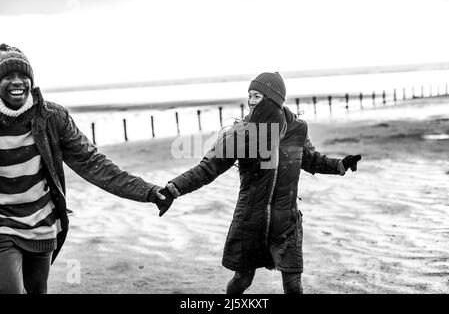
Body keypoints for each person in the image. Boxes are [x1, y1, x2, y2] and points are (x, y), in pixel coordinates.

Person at [159, 72, 361, 294]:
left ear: (273, 99)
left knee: (293, 286)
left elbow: (312, 159)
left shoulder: (297, 129)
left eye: (257, 96)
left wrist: (340, 165)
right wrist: (173, 188)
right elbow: (208, 168)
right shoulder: (241, 134)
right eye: (250, 96)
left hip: (286, 221)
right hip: (250, 220)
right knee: (242, 280)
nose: (251, 101)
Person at [0, 44, 172, 294]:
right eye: (7, 76)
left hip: (42, 222)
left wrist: (146, 191)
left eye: (23, 76)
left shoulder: (52, 117)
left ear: (31, 80)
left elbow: (92, 162)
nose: (17, 82)